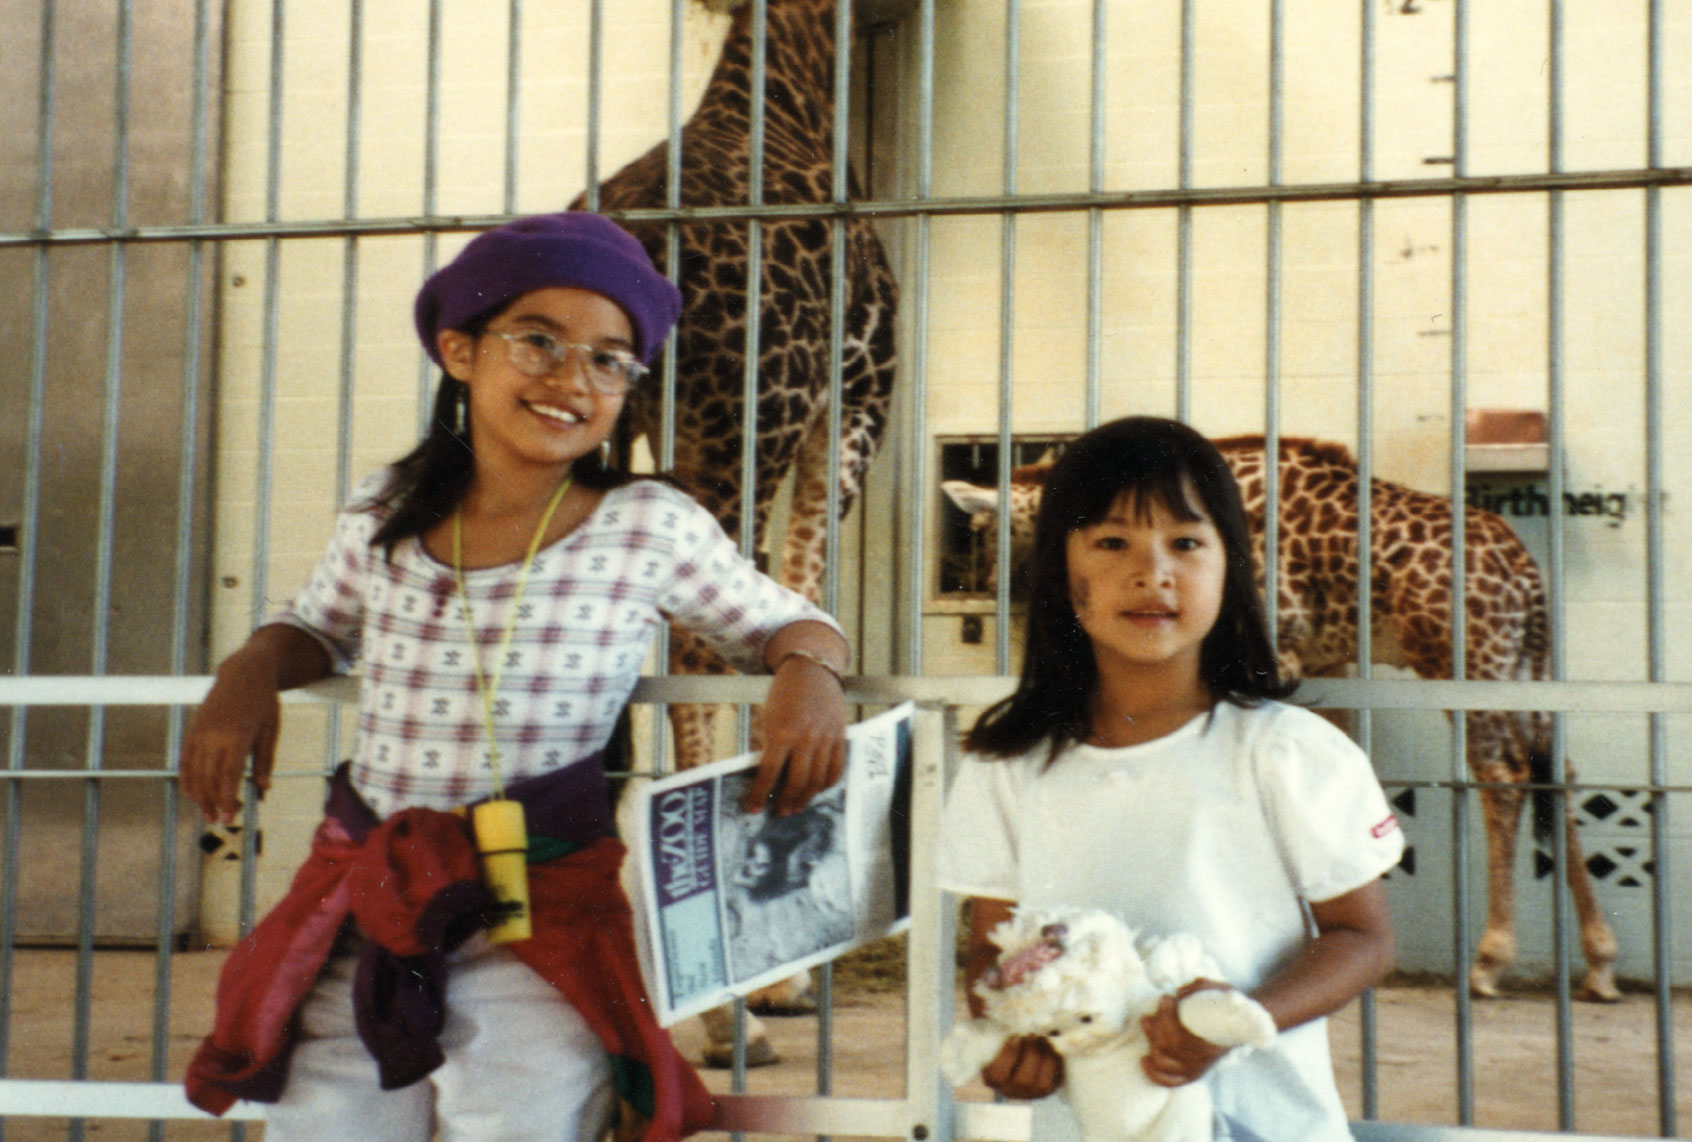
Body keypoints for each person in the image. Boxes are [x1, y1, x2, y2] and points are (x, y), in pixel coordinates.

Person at [180, 212, 852, 1142]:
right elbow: (316, 625)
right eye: (538, 341)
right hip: (371, 899)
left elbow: (786, 622)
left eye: (609, 360)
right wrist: (250, 669)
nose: (573, 379)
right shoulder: (385, 508)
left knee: (523, 1118)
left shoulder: (647, 524)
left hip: (540, 916)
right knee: (325, 1116)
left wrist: (810, 674)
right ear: (460, 350)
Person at [936, 416, 1403, 1141]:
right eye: (1112, 543)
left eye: (1185, 543)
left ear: (1230, 568)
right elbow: (992, 952)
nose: (1152, 572)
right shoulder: (1006, 763)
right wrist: (1007, 1034)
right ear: (1061, 573)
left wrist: (1239, 1019)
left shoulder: (1290, 752)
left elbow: (1361, 938)